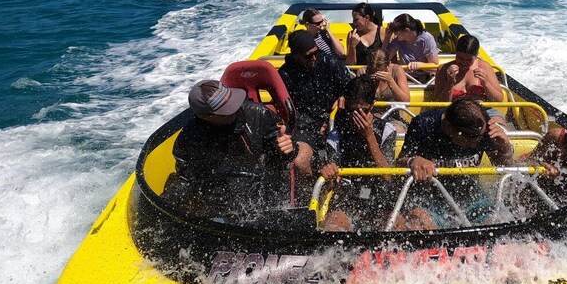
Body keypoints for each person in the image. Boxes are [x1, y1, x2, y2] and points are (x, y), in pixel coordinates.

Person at [164, 79, 302, 220]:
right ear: (204, 116)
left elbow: (282, 160)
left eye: (233, 103)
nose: (235, 109)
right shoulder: (189, 138)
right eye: (227, 111)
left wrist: (286, 149)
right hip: (220, 203)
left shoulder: (259, 114)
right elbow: (187, 178)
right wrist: (165, 206)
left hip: (263, 194)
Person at [395, 96, 514, 229]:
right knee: (419, 222)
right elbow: (399, 162)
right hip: (430, 198)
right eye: (468, 139)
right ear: (448, 126)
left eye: (478, 138)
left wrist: (505, 149)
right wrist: (413, 160)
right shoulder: (423, 124)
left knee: (497, 223)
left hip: (472, 196)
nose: (475, 143)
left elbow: (505, 168)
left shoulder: (482, 129)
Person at [319, 76, 398, 231]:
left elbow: (388, 176)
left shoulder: (387, 130)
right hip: (348, 197)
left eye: (363, 111)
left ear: (373, 106)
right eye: (352, 111)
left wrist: (369, 136)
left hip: (380, 196)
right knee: (334, 226)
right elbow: (332, 169)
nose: (357, 117)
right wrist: (328, 170)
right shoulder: (336, 133)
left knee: (398, 225)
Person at [279, 30, 352, 164]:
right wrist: (314, 126)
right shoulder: (285, 74)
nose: (314, 58)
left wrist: (343, 96)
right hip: (305, 124)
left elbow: (349, 85)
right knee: (298, 156)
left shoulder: (329, 62)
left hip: (334, 116)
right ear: (295, 56)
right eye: (308, 56)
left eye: (316, 53)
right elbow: (288, 108)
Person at [434, 34, 504, 104]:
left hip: (482, 110)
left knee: (496, 116)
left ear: (476, 55)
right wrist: (450, 83)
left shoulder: (485, 67)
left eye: (469, 60)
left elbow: (499, 100)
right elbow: (439, 104)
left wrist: (485, 83)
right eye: (460, 58)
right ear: (455, 52)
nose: (464, 62)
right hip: (453, 111)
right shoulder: (443, 69)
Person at [385, 13, 439, 79]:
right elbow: (384, 58)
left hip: (426, 78)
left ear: (407, 31)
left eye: (397, 33)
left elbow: (435, 67)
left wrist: (420, 65)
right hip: (406, 77)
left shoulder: (426, 39)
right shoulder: (398, 40)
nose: (395, 35)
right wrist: (387, 38)